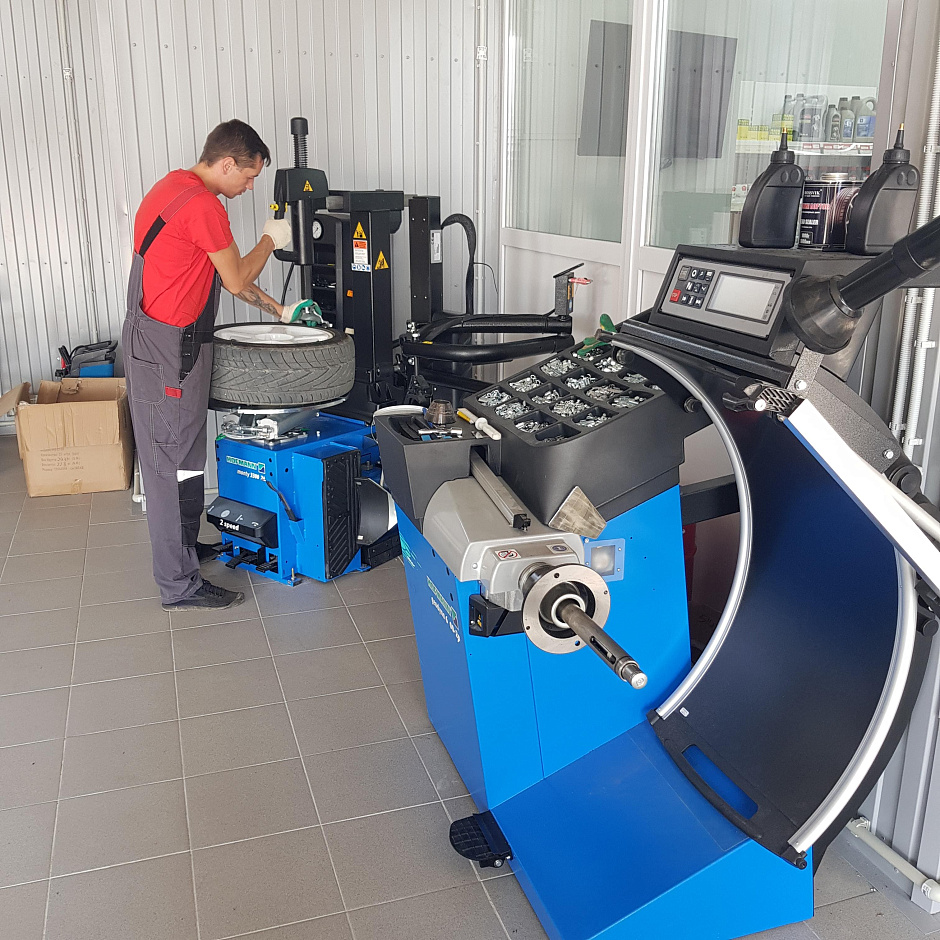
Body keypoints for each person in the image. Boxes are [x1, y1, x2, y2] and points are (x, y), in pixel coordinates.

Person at [123, 119, 309, 611]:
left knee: (187, 459)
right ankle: (178, 584)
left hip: (167, 341)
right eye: (248, 177)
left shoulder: (171, 187)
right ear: (227, 163)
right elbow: (236, 278)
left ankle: (186, 549)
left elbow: (222, 272)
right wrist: (270, 240)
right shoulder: (203, 206)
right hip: (168, 349)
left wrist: (279, 311)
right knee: (167, 468)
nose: (249, 187)